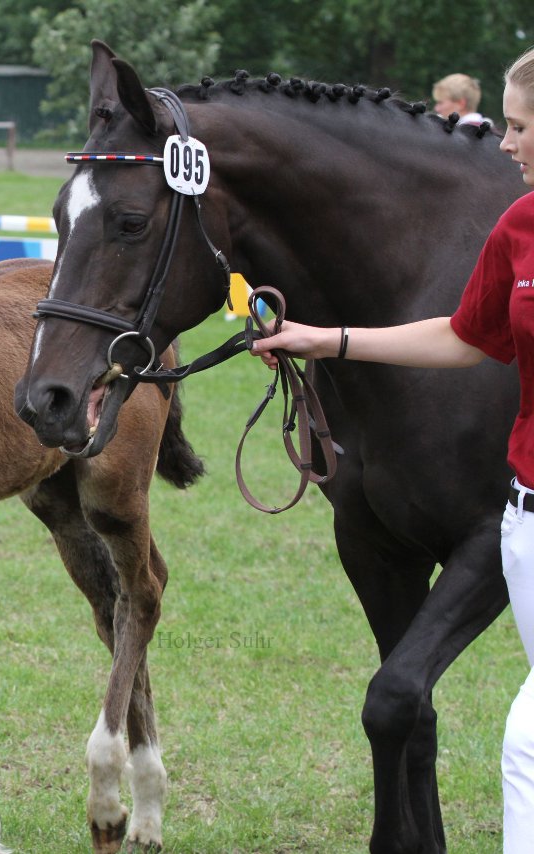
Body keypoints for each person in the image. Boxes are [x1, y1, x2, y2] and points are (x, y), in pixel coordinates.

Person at [254, 45, 534, 852]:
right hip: (527, 525)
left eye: (517, 127)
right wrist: (324, 339)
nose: (501, 142)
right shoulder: (518, 227)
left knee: (526, 743)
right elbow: (461, 337)